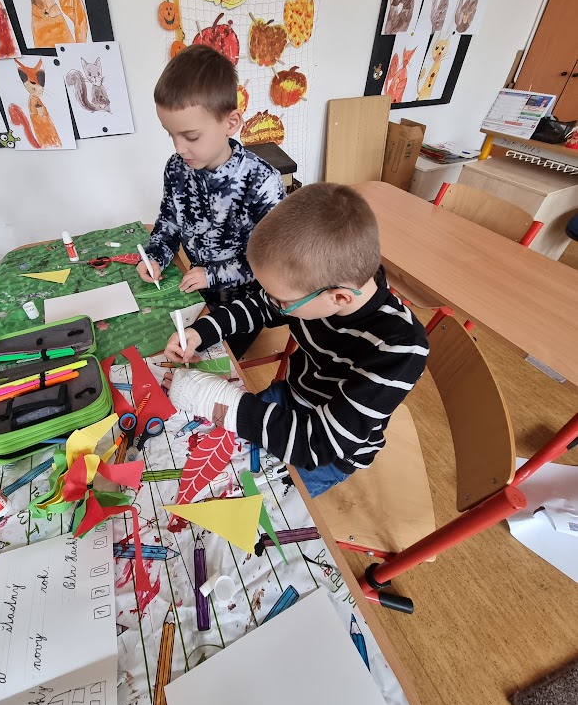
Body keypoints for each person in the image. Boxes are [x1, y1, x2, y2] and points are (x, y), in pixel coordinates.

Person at [164, 183, 429, 498]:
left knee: (232, 502)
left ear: (339, 297)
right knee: (190, 450)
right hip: (292, 396)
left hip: (329, 450)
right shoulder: (316, 288)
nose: (274, 303)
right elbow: (260, 306)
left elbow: (316, 444)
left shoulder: (399, 349)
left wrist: (215, 399)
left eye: (282, 301)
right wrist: (202, 331)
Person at [139, 44, 284, 357]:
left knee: (202, 361)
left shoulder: (262, 181)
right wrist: (155, 256)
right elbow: (169, 222)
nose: (179, 148)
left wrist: (213, 274)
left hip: (245, 306)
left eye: (191, 136)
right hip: (196, 290)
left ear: (231, 123)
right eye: (170, 134)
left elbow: (273, 263)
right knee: (154, 343)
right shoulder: (177, 167)